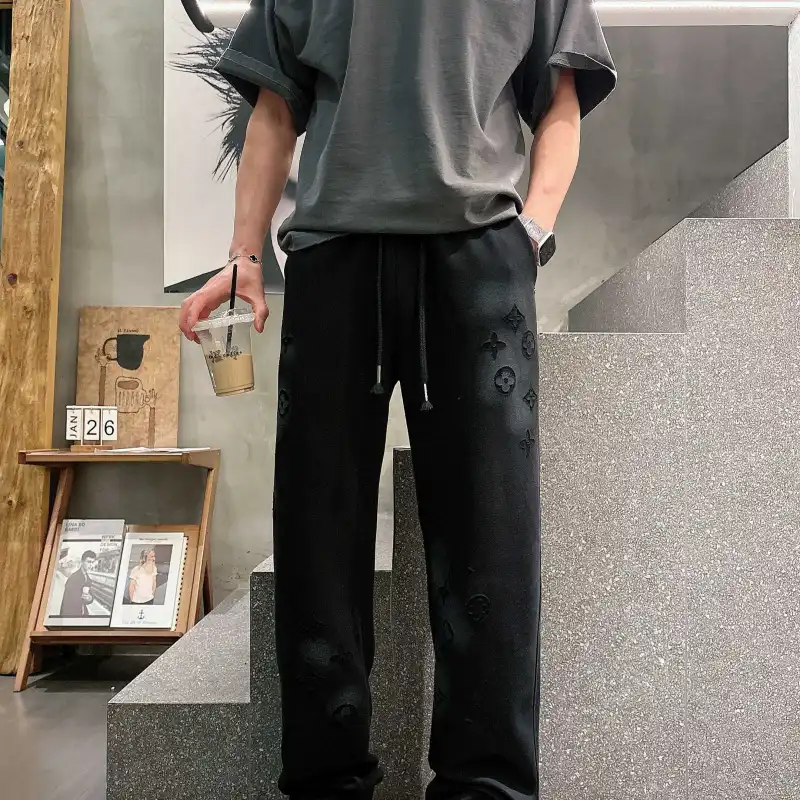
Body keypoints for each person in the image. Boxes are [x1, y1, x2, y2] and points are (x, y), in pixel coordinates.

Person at [179, 1, 617, 797]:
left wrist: (531, 233)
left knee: (492, 541)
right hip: (334, 257)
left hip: (479, 258)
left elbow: (560, 98)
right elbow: (275, 106)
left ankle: (485, 787)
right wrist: (243, 256)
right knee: (317, 538)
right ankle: (327, 782)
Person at [60, 550, 97, 617]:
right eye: (88, 562)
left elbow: (90, 595)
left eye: (92, 562)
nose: (91, 565)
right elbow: (68, 602)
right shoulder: (73, 578)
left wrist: (90, 598)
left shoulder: (87, 578)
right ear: (82, 562)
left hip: (82, 613)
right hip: (72, 615)